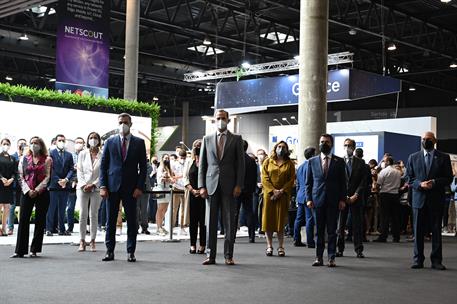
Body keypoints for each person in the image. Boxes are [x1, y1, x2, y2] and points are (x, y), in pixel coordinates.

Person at [198, 109, 245, 266]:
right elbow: (202, 165)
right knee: (210, 222)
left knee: (229, 222)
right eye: (218, 118)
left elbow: (241, 165)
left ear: (228, 120)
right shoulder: (207, 139)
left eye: (223, 118)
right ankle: (210, 256)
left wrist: (239, 184)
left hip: (230, 186)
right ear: (214, 120)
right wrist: (201, 186)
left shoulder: (236, 139)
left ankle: (228, 255)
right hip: (211, 186)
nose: (220, 120)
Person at [100, 113, 147, 262]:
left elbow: (143, 168)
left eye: (125, 122)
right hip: (112, 187)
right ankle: (109, 251)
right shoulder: (110, 142)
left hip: (131, 189)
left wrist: (139, 186)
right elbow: (103, 166)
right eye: (120, 122)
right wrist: (103, 185)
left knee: (132, 222)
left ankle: (130, 252)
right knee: (110, 221)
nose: (123, 125)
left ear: (130, 124)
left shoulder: (139, 142)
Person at [406, 131, 453, 270]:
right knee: (418, 231)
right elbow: (409, 178)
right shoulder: (413, 157)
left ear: (435, 141)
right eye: (424, 139)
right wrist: (420, 184)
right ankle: (418, 259)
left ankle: (436, 260)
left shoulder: (444, 157)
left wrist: (434, 182)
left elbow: (448, 178)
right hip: (418, 199)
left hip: (436, 199)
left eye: (429, 139)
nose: (426, 141)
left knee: (436, 231)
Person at [306, 134, 347, 267]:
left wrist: (342, 199)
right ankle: (318, 257)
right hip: (317, 200)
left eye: (327, 142)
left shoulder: (339, 161)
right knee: (318, 231)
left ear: (332, 144)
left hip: (334, 201)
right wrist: (308, 199)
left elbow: (343, 183)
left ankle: (331, 257)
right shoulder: (312, 161)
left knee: (332, 231)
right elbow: (308, 183)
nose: (324, 144)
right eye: (322, 141)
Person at [11, 137, 51, 258]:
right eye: (32, 143)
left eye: (36, 143)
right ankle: (20, 250)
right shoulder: (24, 158)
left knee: (40, 220)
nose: (34, 145)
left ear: (41, 145)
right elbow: (20, 176)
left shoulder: (47, 159)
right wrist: (28, 190)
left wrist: (37, 190)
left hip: (41, 192)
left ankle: (35, 249)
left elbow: (47, 177)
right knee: (23, 219)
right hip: (26, 192)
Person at [261, 141, 296, 257]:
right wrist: (273, 190)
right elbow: (264, 178)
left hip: (283, 195)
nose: (281, 149)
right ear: (275, 148)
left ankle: (281, 246)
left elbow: (291, 180)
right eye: (279, 147)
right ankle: (269, 246)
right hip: (269, 195)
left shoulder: (289, 163)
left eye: (283, 147)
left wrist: (281, 191)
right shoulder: (268, 161)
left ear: (287, 150)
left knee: (280, 221)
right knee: (268, 221)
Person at [336, 139, 367, 258]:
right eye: (345, 145)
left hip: (356, 198)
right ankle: (340, 249)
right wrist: (343, 196)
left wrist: (356, 195)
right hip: (342, 199)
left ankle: (359, 250)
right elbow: (337, 181)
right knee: (340, 226)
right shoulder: (338, 161)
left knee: (357, 225)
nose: (347, 147)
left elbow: (364, 181)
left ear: (354, 148)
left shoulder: (361, 162)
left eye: (349, 145)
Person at [76, 132, 102, 252]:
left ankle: (92, 240)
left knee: (94, 215)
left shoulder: (103, 154)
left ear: (99, 140)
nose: (93, 140)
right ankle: (82, 240)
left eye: (95, 138)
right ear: (87, 140)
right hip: (82, 188)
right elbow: (79, 171)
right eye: (91, 138)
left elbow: (103, 172)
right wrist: (83, 185)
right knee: (82, 215)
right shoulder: (82, 153)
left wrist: (94, 184)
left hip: (96, 189)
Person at [46, 134, 75, 236]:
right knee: (51, 208)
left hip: (65, 185)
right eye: (59, 140)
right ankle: (49, 229)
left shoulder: (69, 155)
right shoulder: (51, 153)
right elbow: (50, 169)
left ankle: (61, 229)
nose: (61, 142)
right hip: (54, 185)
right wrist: (58, 180)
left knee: (62, 209)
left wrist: (66, 179)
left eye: (63, 140)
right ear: (56, 141)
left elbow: (72, 168)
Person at [183, 140, 206, 254]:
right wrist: (192, 189)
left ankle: (202, 245)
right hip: (192, 194)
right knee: (193, 221)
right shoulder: (188, 161)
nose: (198, 148)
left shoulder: (207, 161)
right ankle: (192, 244)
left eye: (200, 146)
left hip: (204, 195)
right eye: (196, 146)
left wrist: (202, 190)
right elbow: (185, 177)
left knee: (203, 221)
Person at [373, 156, 402, 243]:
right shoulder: (398, 172)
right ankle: (396, 237)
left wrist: (377, 191)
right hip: (395, 195)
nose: (383, 163)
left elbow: (378, 184)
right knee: (395, 217)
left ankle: (383, 236)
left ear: (388, 162)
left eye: (384, 161)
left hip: (385, 195)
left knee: (384, 217)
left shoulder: (384, 171)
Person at [234, 140, 257, 243]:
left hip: (236, 190)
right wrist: (252, 189)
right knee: (249, 212)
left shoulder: (234, 160)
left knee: (234, 213)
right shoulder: (251, 160)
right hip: (248, 190)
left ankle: (232, 235)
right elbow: (254, 177)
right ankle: (251, 236)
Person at [293, 147, 316, 247]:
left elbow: (298, 183)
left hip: (300, 196)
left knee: (298, 219)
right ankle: (310, 241)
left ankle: (296, 239)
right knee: (309, 219)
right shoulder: (312, 166)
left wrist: (298, 195)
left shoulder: (300, 167)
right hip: (308, 196)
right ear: (312, 155)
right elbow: (310, 183)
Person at [7, 138, 27, 235]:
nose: (22, 145)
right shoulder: (12, 156)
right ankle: (10, 227)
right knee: (12, 207)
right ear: (17, 145)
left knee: (23, 208)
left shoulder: (28, 157)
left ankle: (22, 228)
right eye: (20, 144)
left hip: (24, 186)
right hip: (14, 186)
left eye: (24, 144)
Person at [66, 137, 85, 234]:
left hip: (83, 184)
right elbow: (69, 169)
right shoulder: (70, 156)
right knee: (70, 208)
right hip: (72, 185)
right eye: (77, 142)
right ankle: (70, 227)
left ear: (84, 144)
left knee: (84, 208)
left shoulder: (86, 155)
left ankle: (84, 228)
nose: (79, 144)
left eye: (80, 142)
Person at [0, 139, 17, 236]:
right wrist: (2, 178)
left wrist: (11, 179)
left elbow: (15, 172)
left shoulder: (12, 158)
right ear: (1, 145)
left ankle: (4, 228)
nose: (6, 145)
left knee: (7, 207)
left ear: (10, 146)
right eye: (4, 144)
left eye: (7, 144)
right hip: (0, 184)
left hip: (8, 185)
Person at [171, 148, 189, 234]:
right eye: (181, 157)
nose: (183, 159)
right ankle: (172, 226)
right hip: (176, 187)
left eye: (184, 157)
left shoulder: (187, 163)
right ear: (179, 157)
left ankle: (182, 226)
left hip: (185, 187)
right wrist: (175, 177)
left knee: (183, 208)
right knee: (174, 208)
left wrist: (180, 176)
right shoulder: (174, 163)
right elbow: (172, 174)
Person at [154, 154, 173, 235]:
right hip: (161, 189)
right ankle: (158, 227)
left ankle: (161, 226)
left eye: (168, 158)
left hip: (168, 189)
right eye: (165, 158)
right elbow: (160, 179)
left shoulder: (168, 168)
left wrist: (169, 179)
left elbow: (171, 179)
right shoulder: (160, 168)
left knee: (165, 209)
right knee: (160, 209)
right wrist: (168, 179)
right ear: (162, 159)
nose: (167, 159)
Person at [137, 159, 153, 235]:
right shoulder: (133, 163)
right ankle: (135, 227)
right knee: (136, 210)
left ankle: (145, 227)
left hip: (145, 189)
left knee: (144, 210)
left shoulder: (147, 165)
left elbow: (149, 171)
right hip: (135, 189)